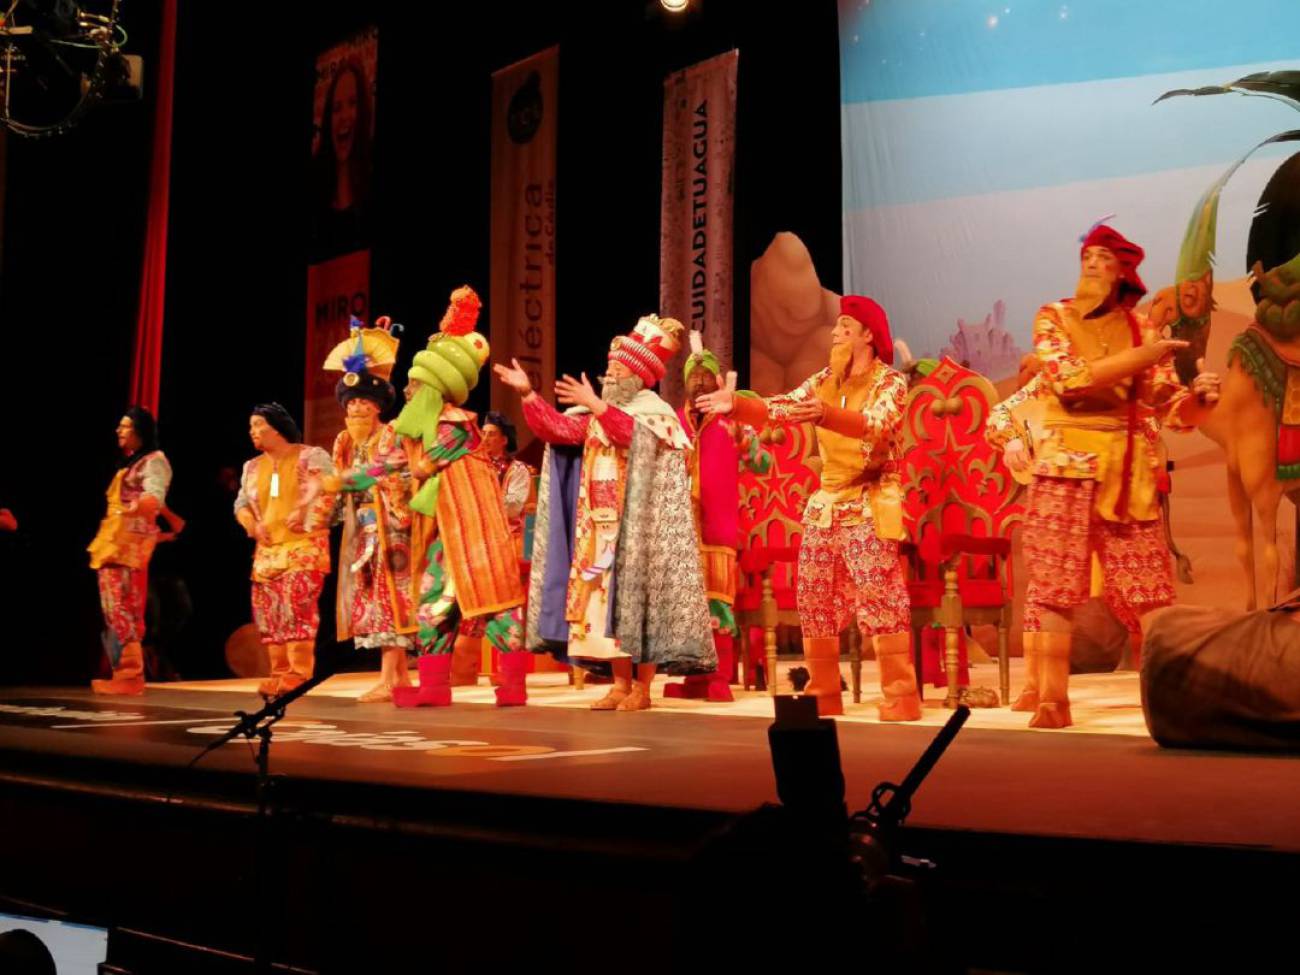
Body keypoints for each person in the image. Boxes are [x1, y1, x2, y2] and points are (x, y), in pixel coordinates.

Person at [984, 223, 1220, 728]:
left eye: (1104, 259)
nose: (1092, 264)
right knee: (1054, 586)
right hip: (1064, 466)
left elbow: (1169, 408)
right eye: (1087, 257)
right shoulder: (1055, 317)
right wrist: (1142, 358)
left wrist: (1199, 400)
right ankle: (1051, 700)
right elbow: (1069, 380)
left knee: (1150, 589)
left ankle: (1170, 701)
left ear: (1123, 274)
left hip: (1127, 470)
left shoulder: (1143, 330)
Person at [698, 296, 920, 720]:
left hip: (869, 499)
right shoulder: (823, 380)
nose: (835, 334)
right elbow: (784, 407)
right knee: (814, 596)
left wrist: (827, 415)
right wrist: (738, 406)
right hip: (827, 502)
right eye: (837, 327)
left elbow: (877, 424)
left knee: (881, 598)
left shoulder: (890, 383)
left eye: (845, 328)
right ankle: (824, 692)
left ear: (868, 336)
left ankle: (901, 695)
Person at [498, 313, 716, 711]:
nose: (610, 374)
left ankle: (642, 689)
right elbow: (558, 430)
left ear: (638, 376)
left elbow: (632, 436)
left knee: (639, 608)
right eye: (610, 366)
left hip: (640, 530)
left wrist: (597, 405)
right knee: (604, 608)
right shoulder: (597, 416)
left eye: (619, 369)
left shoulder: (654, 414)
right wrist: (528, 394)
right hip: (598, 528)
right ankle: (619, 684)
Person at [388, 286, 532, 707]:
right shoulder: (431, 426)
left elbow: (420, 467)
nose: (408, 392)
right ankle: (434, 686)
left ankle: (513, 685)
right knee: (434, 604)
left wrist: (381, 466)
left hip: (474, 535)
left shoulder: (455, 427)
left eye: (414, 385)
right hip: (447, 535)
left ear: (433, 389)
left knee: (495, 604)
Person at [664, 332, 771, 702]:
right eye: (693, 378)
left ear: (716, 382)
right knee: (685, 608)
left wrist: (742, 433)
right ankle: (693, 678)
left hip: (718, 527)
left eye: (705, 377)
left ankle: (719, 677)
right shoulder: (673, 422)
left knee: (716, 604)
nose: (699, 383)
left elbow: (763, 463)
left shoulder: (730, 421)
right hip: (680, 530)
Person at [323, 317, 417, 702]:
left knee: (392, 600)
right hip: (362, 531)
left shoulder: (391, 433)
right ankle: (397, 678)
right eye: (352, 404)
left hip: (392, 526)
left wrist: (358, 482)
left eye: (364, 403)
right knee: (373, 603)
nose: (357, 409)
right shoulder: (344, 441)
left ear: (378, 408)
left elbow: (392, 471)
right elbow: (336, 482)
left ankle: (391, 678)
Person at [233, 403, 337, 698]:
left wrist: (307, 513)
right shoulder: (252, 467)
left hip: (304, 547)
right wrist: (251, 524)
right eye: (251, 426)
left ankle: (298, 672)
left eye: (258, 425)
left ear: (277, 428)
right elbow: (241, 504)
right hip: (267, 553)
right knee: (269, 613)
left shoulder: (310, 456)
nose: (252, 431)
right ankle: (278, 673)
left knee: (297, 607)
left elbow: (328, 490)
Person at [87, 407, 172, 695]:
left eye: (125, 426)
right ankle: (121, 673)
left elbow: (154, 496)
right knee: (113, 609)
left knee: (123, 608)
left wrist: (140, 505)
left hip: (128, 545)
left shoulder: (154, 461)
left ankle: (130, 674)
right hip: (113, 542)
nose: (119, 431)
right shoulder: (130, 464)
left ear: (140, 431)